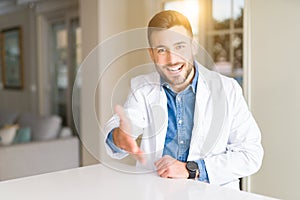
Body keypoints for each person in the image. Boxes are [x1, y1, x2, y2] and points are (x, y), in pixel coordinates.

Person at [104, 10, 263, 189]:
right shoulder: (141, 87)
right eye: (162, 50)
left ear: (193, 46)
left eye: (180, 46)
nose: (172, 60)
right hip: (158, 192)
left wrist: (191, 170)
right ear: (152, 54)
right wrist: (121, 137)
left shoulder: (227, 89)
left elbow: (250, 155)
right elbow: (125, 127)